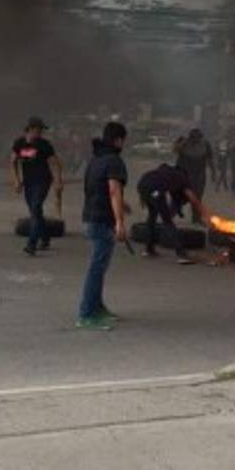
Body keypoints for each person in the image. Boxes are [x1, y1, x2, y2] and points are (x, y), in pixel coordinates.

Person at [77, 121, 128, 331]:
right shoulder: (114, 161)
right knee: (96, 269)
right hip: (102, 221)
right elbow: (113, 190)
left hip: (90, 217)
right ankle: (87, 314)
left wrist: (122, 205)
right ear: (118, 140)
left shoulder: (96, 159)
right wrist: (120, 222)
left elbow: (95, 188)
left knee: (99, 267)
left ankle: (97, 307)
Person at [11, 116, 64, 256]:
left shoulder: (44, 145)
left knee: (35, 208)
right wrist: (16, 180)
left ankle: (31, 244)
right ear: (31, 129)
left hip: (43, 182)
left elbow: (56, 163)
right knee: (35, 212)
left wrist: (58, 181)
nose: (40, 133)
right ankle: (45, 238)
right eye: (39, 130)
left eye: (41, 130)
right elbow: (13, 161)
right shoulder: (19, 143)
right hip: (28, 182)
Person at [137, 162, 207, 262]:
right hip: (155, 190)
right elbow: (193, 199)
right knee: (167, 222)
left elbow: (171, 201)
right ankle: (181, 253)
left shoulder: (166, 172)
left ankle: (149, 249)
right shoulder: (182, 179)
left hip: (143, 185)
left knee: (152, 217)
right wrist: (203, 212)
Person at [174, 128, 215, 223]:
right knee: (179, 196)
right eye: (193, 138)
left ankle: (196, 218)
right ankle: (169, 216)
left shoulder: (205, 145)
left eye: (197, 138)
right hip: (185, 175)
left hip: (199, 175)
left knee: (198, 197)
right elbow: (175, 151)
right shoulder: (183, 144)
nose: (195, 140)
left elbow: (210, 160)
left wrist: (213, 173)